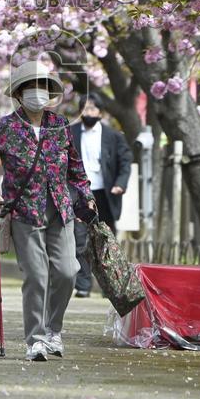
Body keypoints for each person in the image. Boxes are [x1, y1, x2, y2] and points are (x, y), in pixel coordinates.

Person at [0, 60, 95, 361]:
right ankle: (36, 339)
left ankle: (54, 329)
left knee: (69, 271)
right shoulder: (7, 126)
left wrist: (86, 195)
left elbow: (76, 169)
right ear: (19, 93)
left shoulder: (59, 125)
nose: (37, 93)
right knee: (37, 276)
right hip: (24, 212)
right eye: (31, 87)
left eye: (43, 87)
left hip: (60, 209)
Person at [70, 93, 134, 298]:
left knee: (106, 240)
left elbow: (125, 161)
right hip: (79, 193)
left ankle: (111, 286)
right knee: (79, 239)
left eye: (92, 109)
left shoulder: (113, 136)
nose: (88, 112)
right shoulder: (69, 133)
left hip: (105, 193)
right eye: (85, 109)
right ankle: (83, 285)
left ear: (100, 112)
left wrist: (120, 184)